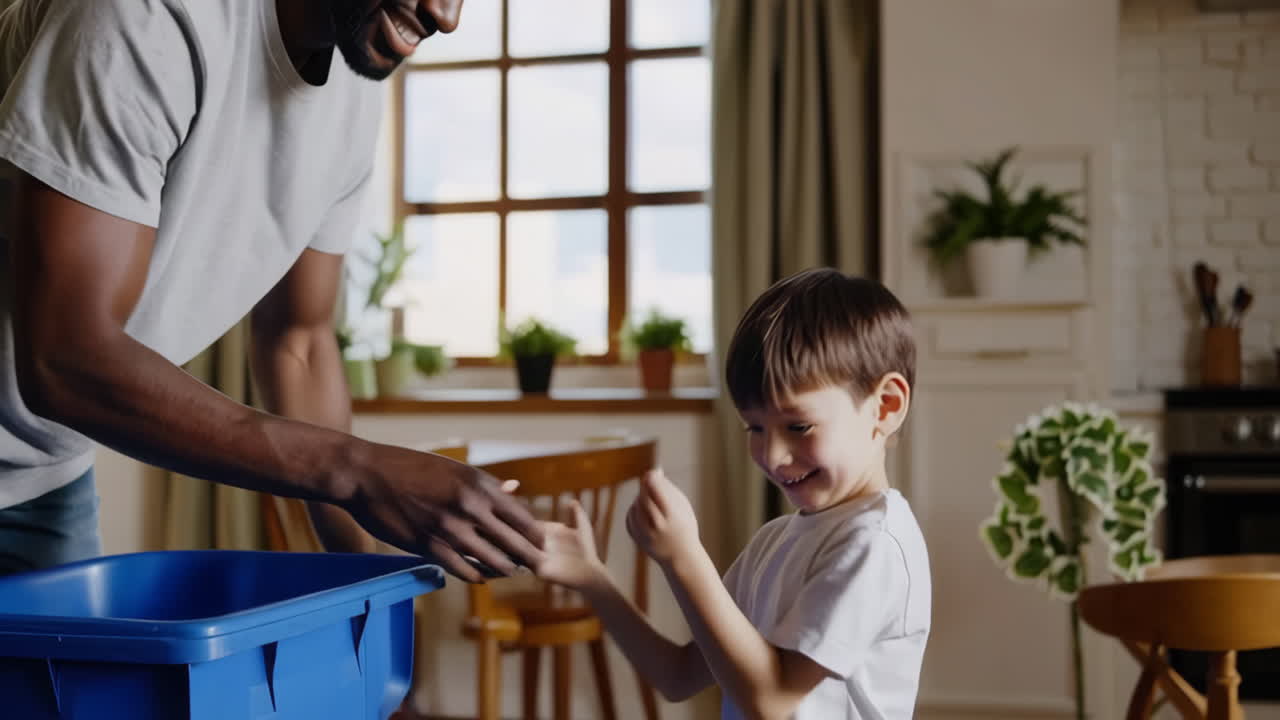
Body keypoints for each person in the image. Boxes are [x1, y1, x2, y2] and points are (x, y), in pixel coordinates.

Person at [0, 0, 546, 582]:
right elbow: (64, 359)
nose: (446, 14)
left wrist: (367, 582)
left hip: (45, 474)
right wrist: (358, 471)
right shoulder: (145, 15)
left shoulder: (353, 94)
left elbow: (298, 342)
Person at [534, 268, 932, 719]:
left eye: (798, 426)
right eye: (755, 428)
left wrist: (682, 555)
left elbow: (771, 700)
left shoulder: (874, 544)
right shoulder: (774, 542)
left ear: (886, 406)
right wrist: (592, 578)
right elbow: (677, 676)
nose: (773, 455)